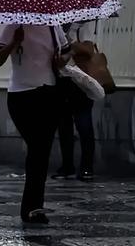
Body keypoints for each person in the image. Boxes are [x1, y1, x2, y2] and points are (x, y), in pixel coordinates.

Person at [0, 24, 65, 224]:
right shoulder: (13, 25)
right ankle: (31, 207)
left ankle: (33, 207)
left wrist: (62, 60)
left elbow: (65, 53)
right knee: (37, 147)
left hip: (49, 93)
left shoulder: (53, 25)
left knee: (41, 150)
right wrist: (14, 42)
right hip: (21, 96)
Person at [53, 21, 96, 182]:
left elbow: (89, 49)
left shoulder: (82, 25)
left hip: (79, 79)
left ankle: (87, 167)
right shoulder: (55, 24)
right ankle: (67, 166)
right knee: (64, 125)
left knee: (84, 124)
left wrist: (70, 43)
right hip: (60, 78)